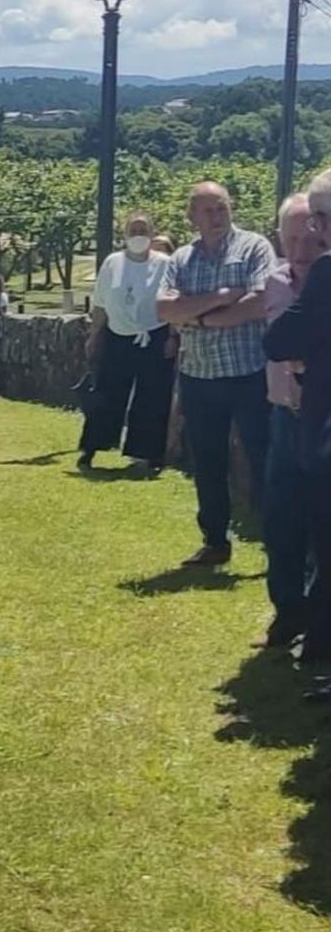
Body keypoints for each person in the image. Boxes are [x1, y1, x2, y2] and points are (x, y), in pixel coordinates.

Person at [157, 181, 274, 568]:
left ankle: (279, 542)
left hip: (249, 374)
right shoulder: (180, 260)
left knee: (264, 460)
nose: (217, 216)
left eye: (221, 208)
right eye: (208, 210)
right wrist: (225, 297)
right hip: (199, 376)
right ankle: (214, 542)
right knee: (207, 462)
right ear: (191, 216)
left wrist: (198, 318)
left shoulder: (254, 247)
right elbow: (165, 311)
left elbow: (259, 302)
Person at [266, 175, 331, 666]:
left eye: (316, 230)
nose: (307, 243)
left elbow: (278, 341)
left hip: (321, 422)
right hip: (288, 416)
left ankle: (319, 639)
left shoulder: (326, 276)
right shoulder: (274, 281)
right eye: (294, 237)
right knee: (286, 524)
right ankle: (296, 620)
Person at [78, 213, 175, 472]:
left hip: (154, 336)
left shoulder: (166, 263)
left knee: (152, 397)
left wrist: (173, 336)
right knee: (107, 394)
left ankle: (148, 455)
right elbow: (100, 304)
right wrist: (94, 336)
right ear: (125, 235)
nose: (138, 235)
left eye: (143, 230)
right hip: (117, 335)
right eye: (134, 230)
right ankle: (91, 447)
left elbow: (174, 301)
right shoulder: (112, 263)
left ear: (152, 234)